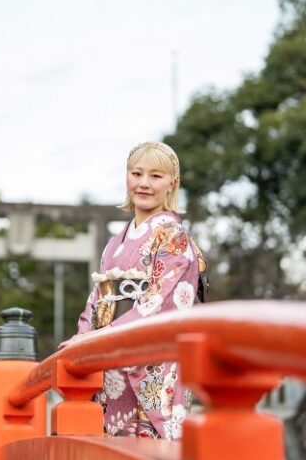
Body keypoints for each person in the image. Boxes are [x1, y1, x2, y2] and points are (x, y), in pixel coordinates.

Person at [62, 141, 205, 440]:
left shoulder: (173, 235)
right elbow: (97, 300)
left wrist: (106, 333)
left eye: (156, 176)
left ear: (172, 183)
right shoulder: (115, 243)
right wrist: (83, 339)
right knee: (110, 455)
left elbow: (161, 299)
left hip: (150, 363)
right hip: (110, 364)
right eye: (136, 173)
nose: (143, 183)